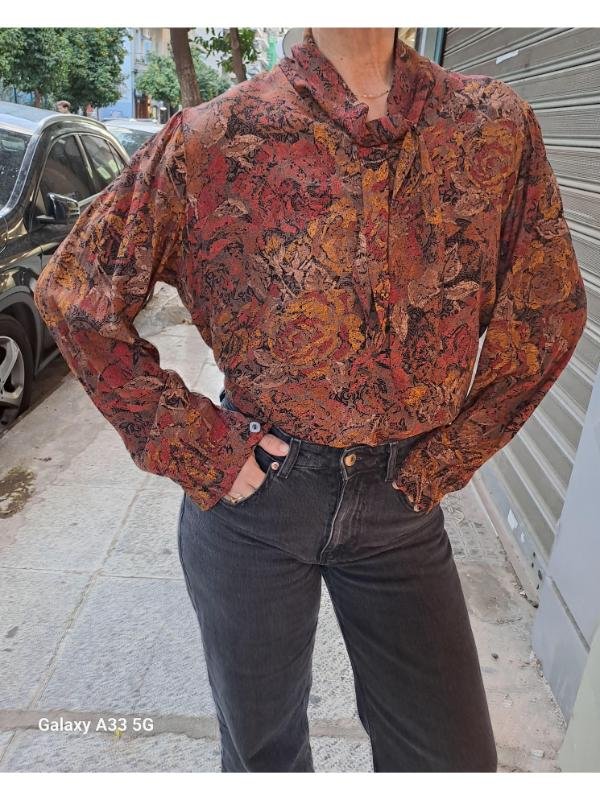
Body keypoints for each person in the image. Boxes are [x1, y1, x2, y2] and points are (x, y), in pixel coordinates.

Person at [33, 27, 587, 772]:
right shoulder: (214, 136)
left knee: (451, 761)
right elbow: (75, 295)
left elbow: (547, 311)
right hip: (257, 502)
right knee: (262, 756)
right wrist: (203, 446)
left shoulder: (492, 124)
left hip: (400, 502)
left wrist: (447, 457)